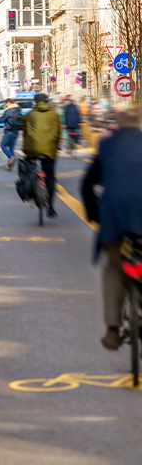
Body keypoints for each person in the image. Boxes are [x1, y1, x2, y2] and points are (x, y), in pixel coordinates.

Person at [82, 106, 142, 350]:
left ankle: (113, 329)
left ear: (116, 124)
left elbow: (87, 185)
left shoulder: (107, 144)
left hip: (115, 216)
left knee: (114, 268)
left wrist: (96, 216)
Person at [22, 93, 61, 217]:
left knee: (27, 169)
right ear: (47, 101)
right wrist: (56, 146)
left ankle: (31, 192)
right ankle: (50, 206)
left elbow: (26, 134)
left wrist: (27, 148)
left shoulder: (29, 115)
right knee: (50, 176)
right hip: (49, 150)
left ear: (35, 102)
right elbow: (57, 133)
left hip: (32, 149)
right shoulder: (55, 115)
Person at [0, 98, 22, 170]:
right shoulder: (18, 109)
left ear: (9, 103)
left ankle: (11, 157)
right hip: (16, 132)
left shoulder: (8, 111)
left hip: (8, 131)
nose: (5, 105)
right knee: (11, 148)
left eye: (6, 103)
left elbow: (2, 120)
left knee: (3, 145)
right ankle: (9, 166)